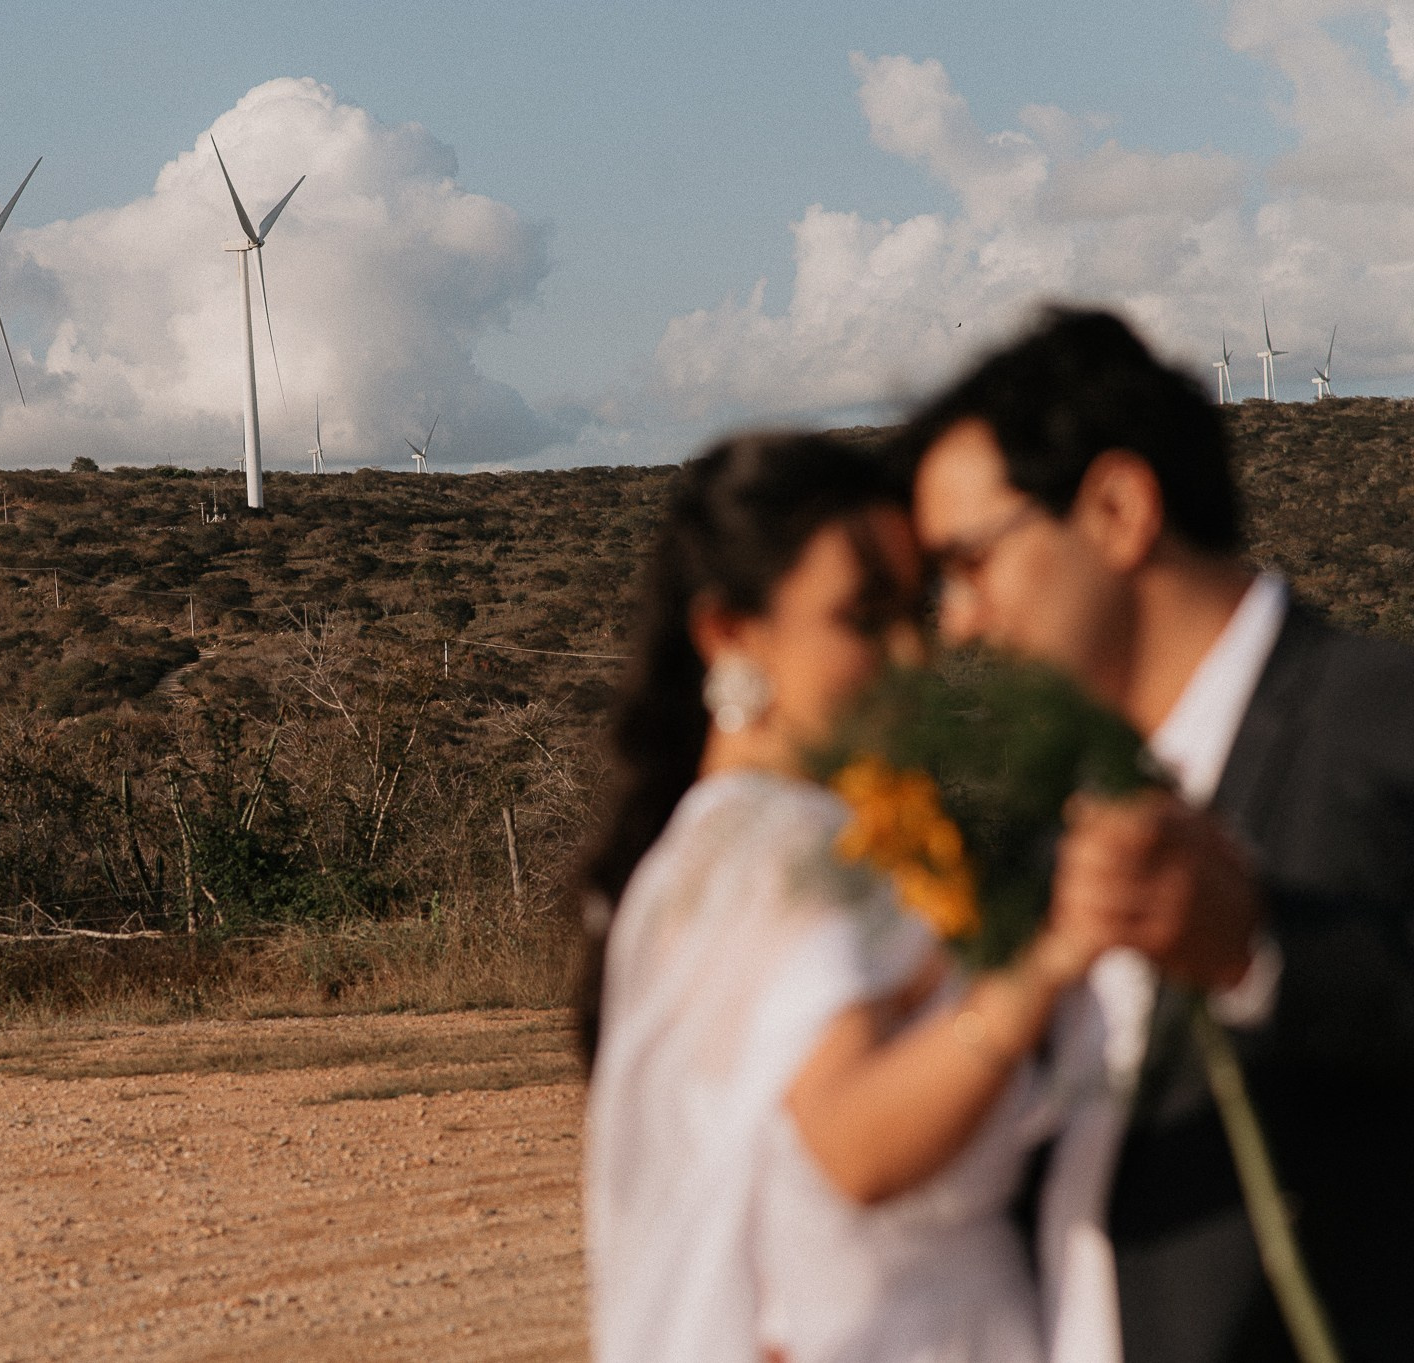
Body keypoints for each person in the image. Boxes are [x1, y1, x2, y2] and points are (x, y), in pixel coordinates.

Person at [902, 307, 1414, 1363]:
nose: (953, 621)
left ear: (1116, 509)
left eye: (971, 562)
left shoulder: (1381, 718)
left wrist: (1259, 950)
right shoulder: (1048, 821)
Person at [579, 432, 1107, 1363]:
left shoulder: (708, 852)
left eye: (918, 609)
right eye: (864, 617)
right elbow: (851, 1146)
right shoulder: (789, 853)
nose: (912, 653)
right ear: (729, 632)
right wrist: (1046, 958)